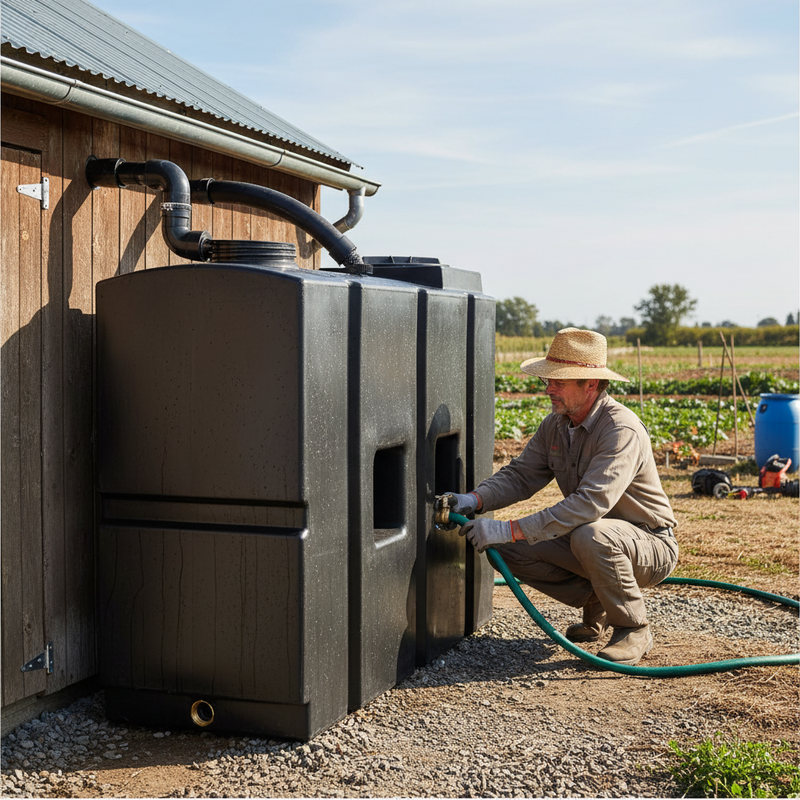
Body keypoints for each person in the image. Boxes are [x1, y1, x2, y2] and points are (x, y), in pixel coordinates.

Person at [442, 327, 678, 666]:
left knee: (590, 533)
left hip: (649, 543)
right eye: (547, 380)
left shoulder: (620, 429)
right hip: (594, 538)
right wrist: (474, 500)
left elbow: (589, 504)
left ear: (591, 384)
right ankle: (599, 600)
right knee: (503, 547)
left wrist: (509, 527)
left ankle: (633, 628)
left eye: (559, 381)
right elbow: (522, 475)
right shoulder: (556, 424)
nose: (548, 388)